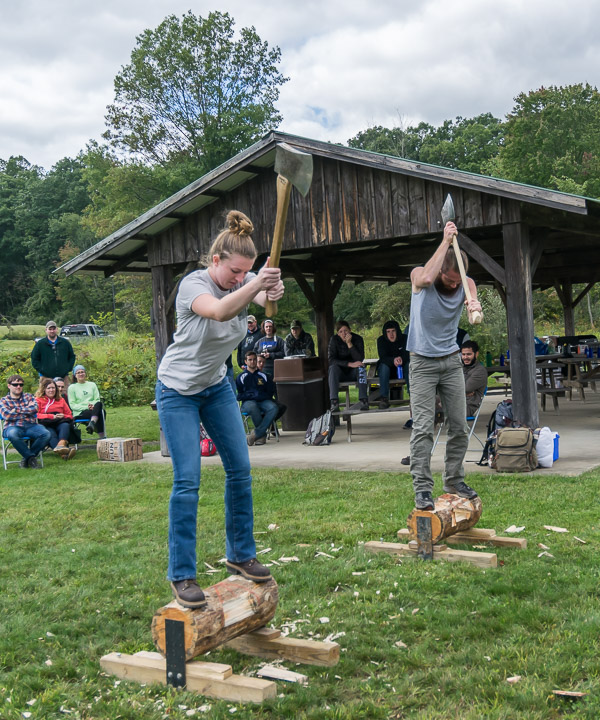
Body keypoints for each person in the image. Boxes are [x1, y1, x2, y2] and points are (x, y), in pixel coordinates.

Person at [155, 209, 284, 609]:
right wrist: (255, 285)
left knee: (240, 469)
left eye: (245, 272)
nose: (238, 278)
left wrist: (271, 290)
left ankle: (240, 555)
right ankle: (182, 575)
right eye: (234, 271)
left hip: (215, 387)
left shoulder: (244, 281)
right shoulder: (194, 286)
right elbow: (221, 310)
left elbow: (265, 303)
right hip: (176, 391)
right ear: (215, 261)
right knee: (188, 479)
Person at [406, 220, 483, 510]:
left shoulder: (465, 283)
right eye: (450, 279)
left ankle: (453, 479)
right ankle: (422, 489)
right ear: (441, 270)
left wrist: (474, 305)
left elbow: (473, 299)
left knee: (459, 426)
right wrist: (445, 241)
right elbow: (425, 277)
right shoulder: (421, 276)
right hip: (422, 362)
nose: (453, 284)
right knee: (424, 428)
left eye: (457, 280)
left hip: (451, 362)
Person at [0, 375, 51, 469]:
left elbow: (35, 409)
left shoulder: (29, 396)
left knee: (46, 434)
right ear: (9, 386)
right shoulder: (4, 400)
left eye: (20, 384)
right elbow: (6, 415)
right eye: (15, 384)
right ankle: (31, 458)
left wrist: (15, 410)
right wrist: (26, 409)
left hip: (30, 425)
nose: (18, 386)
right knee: (13, 435)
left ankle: (25, 459)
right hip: (12, 426)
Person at [236, 351, 280, 446]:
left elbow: (269, 392)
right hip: (247, 403)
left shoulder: (264, 376)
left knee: (274, 407)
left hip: (263, 401)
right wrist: (252, 395)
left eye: (254, 359)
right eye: (250, 360)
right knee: (253, 406)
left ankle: (257, 434)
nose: (252, 362)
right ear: (245, 361)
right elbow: (239, 396)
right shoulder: (241, 377)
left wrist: (259, 396)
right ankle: (261, 435)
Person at [328, 320, 369, 412]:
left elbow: (360, 359)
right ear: (338, 334)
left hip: (354, 372)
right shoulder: (334, 340)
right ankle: (334, 402)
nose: (343, 334)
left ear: (350, 330)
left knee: (361, 367)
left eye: (345, 330)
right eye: (340, 332)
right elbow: (331, 360)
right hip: (340, 372)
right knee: (332, 368)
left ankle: (364, 400)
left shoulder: (358, 339)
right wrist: (349, 364)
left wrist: (349, 344)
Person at [35, 378, 76, 460]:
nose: (51, 390)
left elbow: (70, 415)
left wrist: (63, 415)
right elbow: (35, 415)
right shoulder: (38, 400)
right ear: (44, 389)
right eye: (49, 388)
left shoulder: (61, 400)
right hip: (45, 423)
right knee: (50, 433)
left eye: (53, 388)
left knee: (65, 425)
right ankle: (64, 454)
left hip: (60, 422)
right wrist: (51, 416)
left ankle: (61, 445)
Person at [31, 321, 76, 386]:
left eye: (54, 329)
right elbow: (34, 359)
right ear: (46, 330)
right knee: (44, 395)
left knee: (64, 395)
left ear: (57, 329)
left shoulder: (65, 343)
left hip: (63, 377)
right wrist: (42, 370)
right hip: (45, 377)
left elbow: (72, 356)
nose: (52, 331)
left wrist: (68, 368)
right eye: (50, 329)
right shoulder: (40, 344)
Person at [376, 320, 408, 409]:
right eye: (388, 332)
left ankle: (413, 395)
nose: (391, 334)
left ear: (397, 330)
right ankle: (384, 398)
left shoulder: (404, 338)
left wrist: (401, 359)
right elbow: (382, 357)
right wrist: (393, 360)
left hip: (403, 368)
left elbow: (408, 354)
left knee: (409, 365)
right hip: (388, 371)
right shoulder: (381, 340)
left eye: (393, 331)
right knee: (383, 366)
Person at [68, 365, 106, 438]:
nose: (81, 374)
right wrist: (86, 407)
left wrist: (93, 406)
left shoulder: (92, 385)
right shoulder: (72, 388)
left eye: (82, 372)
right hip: (80, 412)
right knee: (101, 413)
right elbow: (72, 405)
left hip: (94, 408)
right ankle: (102, 437)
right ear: (75, 375)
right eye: (78, 373)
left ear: (85, 373)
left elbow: (97, 399)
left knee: (99, 404)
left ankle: (92, 423)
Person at [256, 354, 287, 427]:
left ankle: (269, 423)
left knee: (282, 407)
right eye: (259, 362)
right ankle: (268, 424)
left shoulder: (266, 375)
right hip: (255, 400)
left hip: (266, 399)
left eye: (263, 362)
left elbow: (271, 389)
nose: (261, 364)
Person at [461, 340, 488, 417]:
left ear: (476, 354)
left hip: (467, 407)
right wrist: (464, 394)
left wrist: (447, 390)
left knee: (431, 409)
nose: (465, 357)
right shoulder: (459, 367)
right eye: (463, 354)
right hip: (452, 402)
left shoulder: (480, 371)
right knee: (428, 400)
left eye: (469, 354)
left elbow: (465, 389)